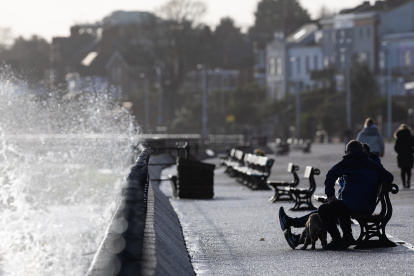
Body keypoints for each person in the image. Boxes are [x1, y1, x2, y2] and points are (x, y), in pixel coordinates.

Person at [280, 140, 394, 250]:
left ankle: (337, 240)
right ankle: (347, 237)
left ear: (349, 151)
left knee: (324, 210)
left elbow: (330, 174)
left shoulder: (349, 162)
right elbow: (389, 177)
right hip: (368, 206)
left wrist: (330, 195)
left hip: (353, 204)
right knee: (340, 207)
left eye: (346, 152)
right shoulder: (373, 164)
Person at [394, 124, 414, 188]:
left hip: (401, 155)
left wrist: (399, 152)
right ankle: (408, 181)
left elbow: (396, 147)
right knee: (409, 170)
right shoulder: (411, 137)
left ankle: (404, 184)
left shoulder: (399, 137)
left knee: (403, 170)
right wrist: (412, 151)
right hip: (409, 155)